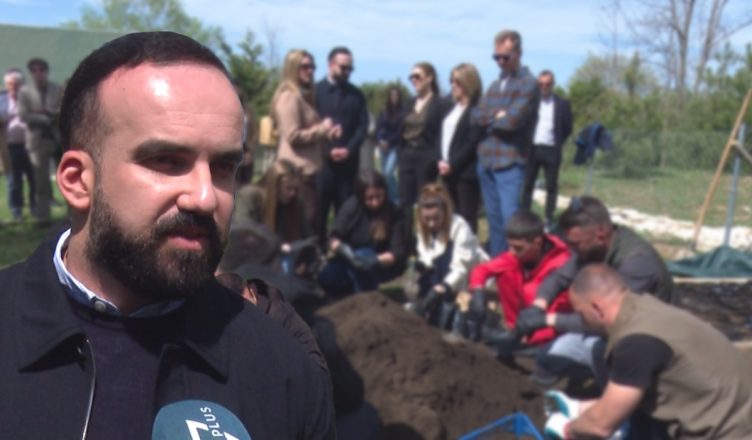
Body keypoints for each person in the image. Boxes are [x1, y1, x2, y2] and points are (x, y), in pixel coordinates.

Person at [0, 32, 334, 439]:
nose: (205, 198)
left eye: (224, 167)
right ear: (78, 180)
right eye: (166, 161)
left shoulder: (283, 373)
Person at [544, 265, 752, 440]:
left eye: (581, 314)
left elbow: (601, 426)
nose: (582, 322)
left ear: (597, 308)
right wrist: (584, 409)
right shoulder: (646, 309)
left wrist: (568, 430)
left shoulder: (636, 341)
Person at [515, 196, 675, 385]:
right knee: (547, 358)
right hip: (612, 330)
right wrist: (538, 306)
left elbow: (605, 320)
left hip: (648, 341)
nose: (571, 249)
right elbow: (559, 277)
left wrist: (547, 320)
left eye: (575, 244)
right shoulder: (594, 247)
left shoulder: (638, 264)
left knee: (601, 354)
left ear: (599, 234)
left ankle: (620, 396)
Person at [471, 30, 539, 256]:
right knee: (494, 221)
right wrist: (496, 115)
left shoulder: (529, 84)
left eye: (505, 57)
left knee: (512, 223)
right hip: (486, 161)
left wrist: (492, 118)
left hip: (510, 163)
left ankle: (518, 267)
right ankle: (499, 265)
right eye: (496, 57)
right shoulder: (495, 84)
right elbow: (475, 116)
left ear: (519, 53)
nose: (500, 61)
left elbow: (511, 122)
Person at [465, 210, 570, 345]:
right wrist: (477, 290)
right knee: (505, 272)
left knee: (530, 289)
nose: (512, 252)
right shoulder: (517, 256)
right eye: (510, 246)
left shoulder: (562, 264)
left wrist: (529, 338)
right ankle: (513, 329)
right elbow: (482, 270)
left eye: (518, 248)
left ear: (537, 242)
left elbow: (558, 314)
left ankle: (522, 338)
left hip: (548, 332)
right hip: (517, 326)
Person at [271, 49, 340, 230]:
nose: (310, 70)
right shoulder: (289, 97)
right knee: (303, 227)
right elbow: (292, 135)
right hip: (297, 173)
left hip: (307, 173)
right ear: (293, 67)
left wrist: (328, 133)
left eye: (313, 66)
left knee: (310, 224)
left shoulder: (302, 96)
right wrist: (322, 129)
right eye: (305, 66)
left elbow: (305, 133)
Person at [318, 169, 408, 298]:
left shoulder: (394, 212)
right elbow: (333, 238)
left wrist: (373, 261)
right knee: (327, 276)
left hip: (379, 263)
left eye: (379, 196)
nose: (375, 202)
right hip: (350, 259)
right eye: (370, 198)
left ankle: (365, 298)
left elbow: (397, 253)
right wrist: (344, 250)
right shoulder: (352, 207)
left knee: (364, 254)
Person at [413, 183, 487, 331]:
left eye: (436, 218)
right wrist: (422, 265)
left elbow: (461, 267)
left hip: (462, 278)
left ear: (445, 212)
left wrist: (444, 287)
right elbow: (426, 255)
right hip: (439, 272)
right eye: (427, 219)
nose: (431, 223)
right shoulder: (422, 228)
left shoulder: (459, 227)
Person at [315, 47, 369, 240]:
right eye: (343, 67)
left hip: (348, 164)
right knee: (318, 210)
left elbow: (362, 127)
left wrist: (348, 149)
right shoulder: (315, 92)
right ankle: (317, 250)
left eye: (350, 68)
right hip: (321, 163)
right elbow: (310, 127)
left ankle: (340, 249)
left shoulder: (357, 95)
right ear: (331, 64)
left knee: (346, 210)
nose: (347, 72)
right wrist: (328, 150)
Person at [233, 159, 318, 274]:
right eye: (288, 188)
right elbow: (243, 231)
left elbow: (308, 236)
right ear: (275, 185)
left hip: (285, 262)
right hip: (251, 261)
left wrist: (305, 261)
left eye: (295, 189)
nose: (292, 193)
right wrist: (276, 246)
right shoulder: (250, 196)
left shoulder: (294, 204)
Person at [521, 70, 573, 228]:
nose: (544, 87)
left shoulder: (562, 104)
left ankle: (549, 218)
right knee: (528, 184)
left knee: (551, 186)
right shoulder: (531, 103)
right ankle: (525, 216)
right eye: (541, 84)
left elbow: (568, 128)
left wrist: (557, 141)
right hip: (533, 149)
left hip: (552, 150)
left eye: (547, 84)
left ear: (553, 84)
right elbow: (524, 124)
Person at [438, 63, 483, 232]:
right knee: (449, 215)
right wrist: (440, 160)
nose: (453, 85)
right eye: (451, 81)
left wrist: (453, 164)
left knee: (466, 217)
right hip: (446, 169)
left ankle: (468, 247)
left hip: (465, 172)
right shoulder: (451, 107)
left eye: (457, 82)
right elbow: (441, 136)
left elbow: (472, 142)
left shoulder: (477, 109)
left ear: (468, 82)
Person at [18, 57, 63, 224]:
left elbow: (63, 110)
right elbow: (23, 115)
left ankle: (73, 215)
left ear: (46, 72)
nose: (38, 73)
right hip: (37, 142)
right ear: (31, 73)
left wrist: (48, 113)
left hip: (57, 139)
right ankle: (43, 216)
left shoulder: (57, 89)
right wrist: (42, 117)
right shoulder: (25, 92)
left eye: (41, 70)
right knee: (40, 182)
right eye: (35, 70)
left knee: (65, 178)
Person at [399, 62, 445, 221]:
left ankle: (425, 233)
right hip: (407, 154)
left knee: (425, 199)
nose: (413, 80)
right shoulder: (409, 103)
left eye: (417, 76)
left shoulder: (440, 104)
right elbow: (401, 130)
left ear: (429, 78)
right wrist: (401, 154)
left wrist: (436, 157)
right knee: (404, 201)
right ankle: (405, 235)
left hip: (426, 155)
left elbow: (441, 133)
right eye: (411, 77)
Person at [1, 69, 36, 221]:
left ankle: (35, 207)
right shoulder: (2, 100)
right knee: (13, 180)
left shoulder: (30, 98)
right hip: (10, 146)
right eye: (10, 84)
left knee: (34, 177)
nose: (13, 87)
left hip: (31, 144)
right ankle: (16, 211)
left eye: (16, 84)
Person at [375, 85, 404, 204]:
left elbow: (400, 131)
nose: (394, 97)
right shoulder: (384, 111)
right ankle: (388, 199)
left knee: (388, 172)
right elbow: (378, 127)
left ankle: (396, 199)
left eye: (396, 95)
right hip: (382, 146)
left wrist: (389, 142)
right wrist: (380, 140)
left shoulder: (402, 112)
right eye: (392, 95)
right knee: (384, 175)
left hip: (394, 147)